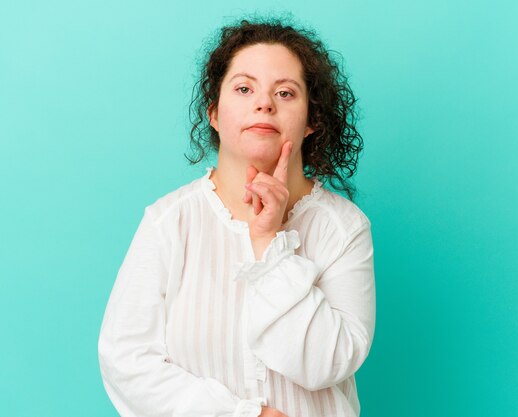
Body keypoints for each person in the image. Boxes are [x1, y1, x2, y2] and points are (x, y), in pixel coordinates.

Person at [98, 17, 376, 417]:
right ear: (214, 112)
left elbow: (326, 363)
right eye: (244, 88)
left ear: (313, 120)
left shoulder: (344, 227)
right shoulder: (168, 222)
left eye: (285, 92)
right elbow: (125, 360)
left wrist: (268, 242)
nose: (264, 103)